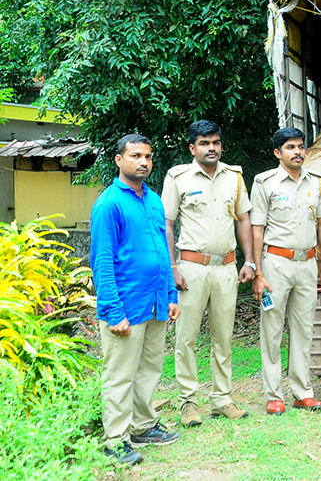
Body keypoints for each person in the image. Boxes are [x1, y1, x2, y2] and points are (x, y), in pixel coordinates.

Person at [91, 134, 181, 465]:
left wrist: (170, 293)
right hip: (126, 306)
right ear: (119, 160)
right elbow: (102, 262)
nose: (143, 161)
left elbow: (162, 250)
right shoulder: (109, 204)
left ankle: (144, 425)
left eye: (147, 156)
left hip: (156, 302)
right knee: (120, 375)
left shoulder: (154, 200)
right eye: (135, 156)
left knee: (149, 370)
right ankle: (115, 440)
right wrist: (113, 313)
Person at [162, 120, 256, 427]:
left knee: (223, 337)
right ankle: (188, 404)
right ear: (193, 148)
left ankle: (222, 399)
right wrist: (172, 267)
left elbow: (244, 220)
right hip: (190, 268)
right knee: (186, 337)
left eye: (215, 142)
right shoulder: (178, 177)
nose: (211, 148)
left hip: (227, 268)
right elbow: (167, 223)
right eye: (204, 143)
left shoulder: (235, 176)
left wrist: (250, 261)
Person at [250, 127, 321, 415]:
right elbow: (256, 229)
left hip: (308, 264)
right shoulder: (264, 182)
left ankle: (302, 392)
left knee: (304, 329)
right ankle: (274, 395)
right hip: (276, 265)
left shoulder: (316, 183)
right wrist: (258, 273)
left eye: (300, 146)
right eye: (290, 147)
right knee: (272, 329)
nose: (297, 152)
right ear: (277, 153)